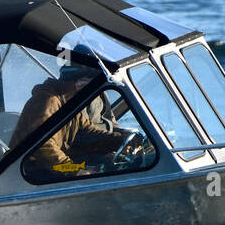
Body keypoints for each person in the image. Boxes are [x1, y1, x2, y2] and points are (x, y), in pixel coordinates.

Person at [9, 62, 144, 176]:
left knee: (109, 164)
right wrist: (74, 169)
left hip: (50, 166)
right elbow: (42, 146)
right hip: (30, 171)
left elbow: (88, 132)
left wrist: (120, 140)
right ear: (77, 83)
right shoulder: (48, 101)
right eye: (87, 83)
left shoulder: (69, 104)